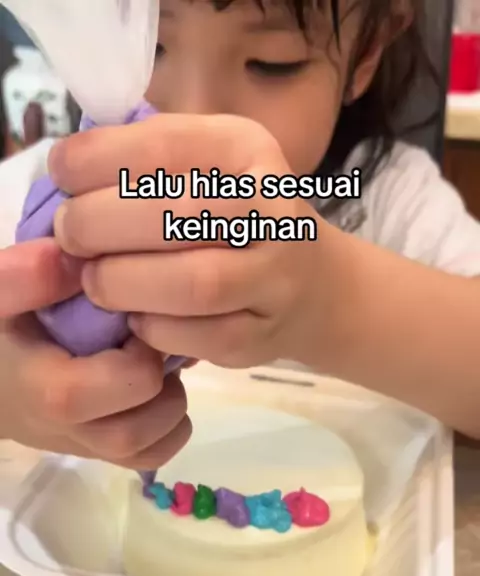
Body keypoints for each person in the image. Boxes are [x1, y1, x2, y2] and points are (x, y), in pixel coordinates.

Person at [1, 0, 480, 472]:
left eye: (271, 64)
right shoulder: (41, 192)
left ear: (367, 51)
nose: (193, 119)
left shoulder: (394, 204)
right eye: (151, 47)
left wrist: (330, 299)